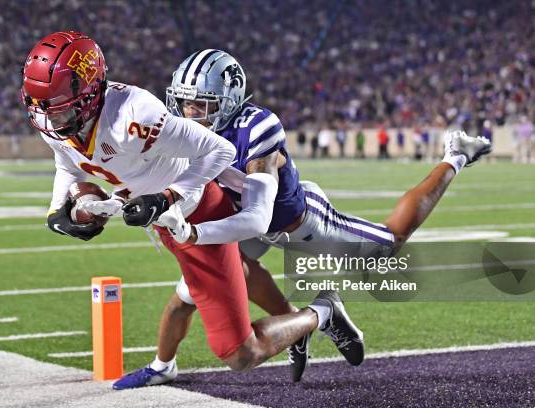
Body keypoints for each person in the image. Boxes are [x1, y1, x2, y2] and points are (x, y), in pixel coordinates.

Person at [114, 50, 493, 389]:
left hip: (293, 220)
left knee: (390, 241)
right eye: (184, 103)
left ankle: (456, 156)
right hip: (236, 222)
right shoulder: (179, 130)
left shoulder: (256, 128)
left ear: (228, 101)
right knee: (189, 296)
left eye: (202, 105)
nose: (190, 114)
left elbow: (258, 218)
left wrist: (194, 232)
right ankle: (165, 365)